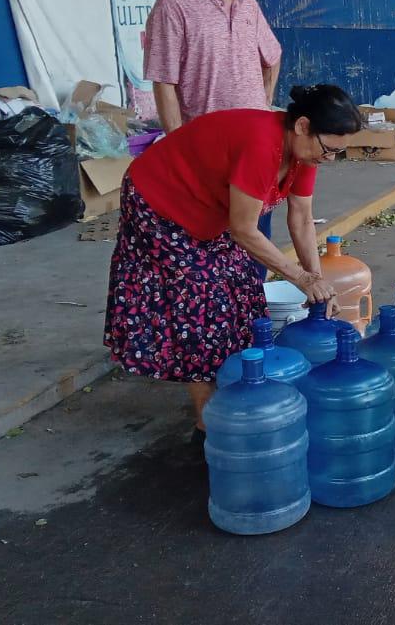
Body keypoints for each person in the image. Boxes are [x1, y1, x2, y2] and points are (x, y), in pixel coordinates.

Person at [103, 85, 363, 446]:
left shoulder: (305, 154)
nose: (330, 159)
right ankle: (207, 420)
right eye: (330, 149)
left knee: (243, 291)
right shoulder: (262, 143)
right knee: (198, 302)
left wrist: (316, 280)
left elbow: (302, 219)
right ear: (303, 125)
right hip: (160, 200)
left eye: (338, 153)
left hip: (211, 208)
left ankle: (236, 388)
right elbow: (243, 230)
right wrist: (302, 278)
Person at [143, 0, 284, 274]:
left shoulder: (248, 4)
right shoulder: (174, 5)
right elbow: (164, 81)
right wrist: (179, 149)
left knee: (254, 259)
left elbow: (273, 56)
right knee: (209, 266)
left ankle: (256, 329)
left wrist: (261, 107)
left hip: (253, 155)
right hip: (206, 157)